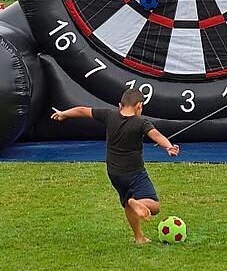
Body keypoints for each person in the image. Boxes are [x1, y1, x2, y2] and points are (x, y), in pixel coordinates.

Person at [51, 88, 180, 244]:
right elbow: (156, 134)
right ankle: (135, 202)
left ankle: (139, 237)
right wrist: (168, 146)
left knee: (127, 202)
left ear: (120, 105)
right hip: (134, 172)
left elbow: (83, 110)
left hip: (114, 173)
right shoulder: (141, 122)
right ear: (139, 106)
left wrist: (64, 114)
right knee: (154, 205)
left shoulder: (109, 115)